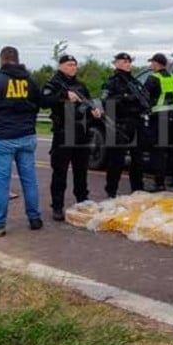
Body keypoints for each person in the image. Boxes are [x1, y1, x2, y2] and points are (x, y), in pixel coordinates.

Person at [0, 46, 44, 236]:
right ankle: (34, 218)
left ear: (2, 60)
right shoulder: (30, 80)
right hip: (27, 135)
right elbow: (38, 104)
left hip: (2, 137)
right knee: (29, 180)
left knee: (1, 183)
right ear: (17, 58)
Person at [40, 54, 103, 220]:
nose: (73, 67)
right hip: (63, 133)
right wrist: (63, 96)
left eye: (74, 64)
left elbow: (88, 102)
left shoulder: (80, 85)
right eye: (69, 64)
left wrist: (94, 111)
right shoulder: (53, 84)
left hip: (81, 132)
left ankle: (82, 200)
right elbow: (43, 101)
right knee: (60, 171)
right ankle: (57, 206)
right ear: (61, 66)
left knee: (81, 170)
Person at [100, 51, 151, 198]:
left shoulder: (135, 82)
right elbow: (106, 101)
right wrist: (125, 98)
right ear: (116, 63)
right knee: (116, 160)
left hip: (137, 123)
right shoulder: (112, 82)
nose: (127, 64)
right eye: (124, 62)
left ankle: (137, 189)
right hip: (120, 124)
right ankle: (111, 191)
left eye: (129, 62)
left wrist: (139, 101)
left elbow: (146, 97)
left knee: (138, 159)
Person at [143, 53, 173, 191]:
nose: (151, 65)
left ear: (156, 64)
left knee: (157, 151)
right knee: (172, 150)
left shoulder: (153, 78)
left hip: (159, 118)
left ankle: (159, 183)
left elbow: (144, 97)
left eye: (152, 63)